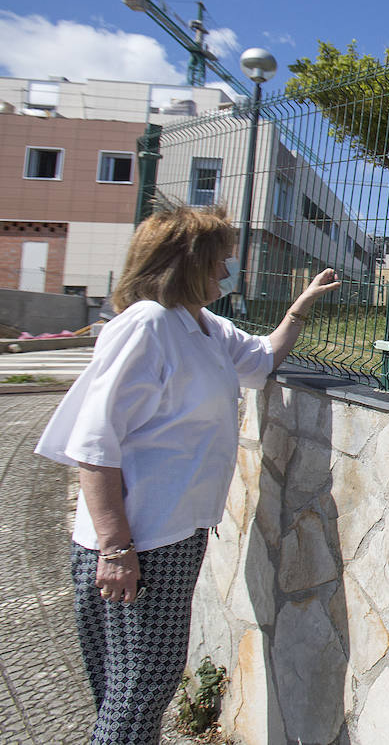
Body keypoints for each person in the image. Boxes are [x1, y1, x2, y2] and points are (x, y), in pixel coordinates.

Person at [35, 205, 341, 745]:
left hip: (172, 535)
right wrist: (115, 549)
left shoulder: (200, 324)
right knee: (139, 692)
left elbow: (260, 360)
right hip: (139, 542)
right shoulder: (149, 325)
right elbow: (94, 444)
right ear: (185, 263)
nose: (228, 272)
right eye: (219, 260)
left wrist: (301, 307)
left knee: (132, 692)